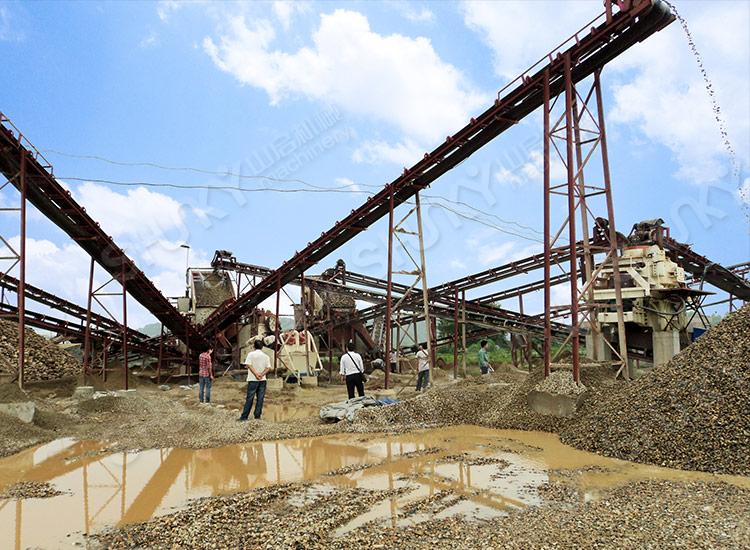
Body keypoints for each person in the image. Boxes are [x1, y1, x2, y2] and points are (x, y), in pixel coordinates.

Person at [238, 340, 271, 421]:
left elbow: (248, 364)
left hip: (253, 379)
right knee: (260, 398)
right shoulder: (266, 356)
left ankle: (244, 417)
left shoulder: (251, 354)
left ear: (254, 346)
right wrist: (261, 375)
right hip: (262, 380)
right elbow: (268, 368)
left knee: (250, 398)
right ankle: (257, 416)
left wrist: (256, 374)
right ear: (262, 347)